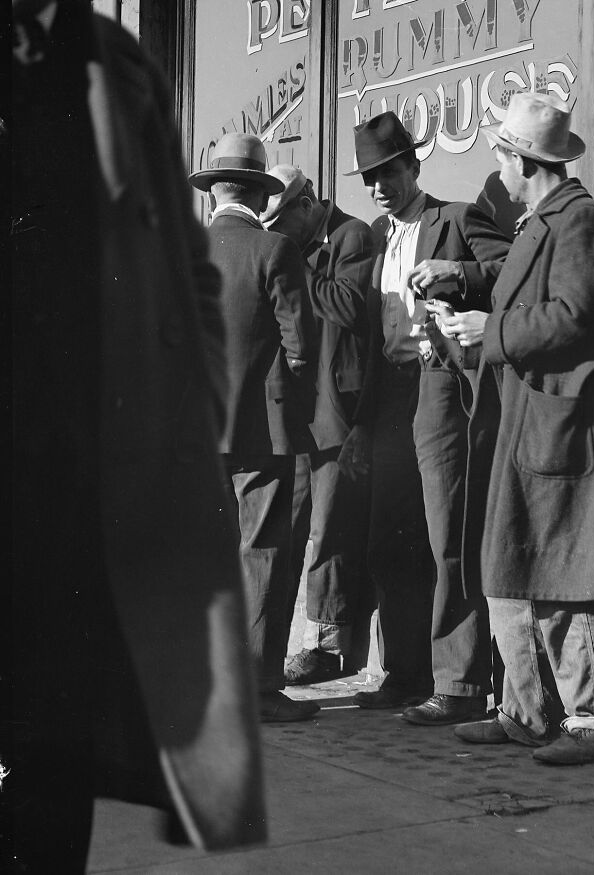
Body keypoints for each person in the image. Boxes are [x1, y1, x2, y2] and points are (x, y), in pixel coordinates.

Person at [10, 1, 264, 871]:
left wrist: (185, 416)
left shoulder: (116, 66)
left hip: (78, 471)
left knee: (54, 739)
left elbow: (180, 268)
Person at [450, 91, 594, 763]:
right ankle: (527, 709)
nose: (497, 170)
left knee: (565, 573)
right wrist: (467, 282)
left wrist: (487, 329)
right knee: (509, 567)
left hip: (563, 421)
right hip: (531, 419)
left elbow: (572, 313)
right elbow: (526, 285)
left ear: (520, 159)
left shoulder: (579, 219)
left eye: (501, 155)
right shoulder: (546, 219)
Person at [339, 111, 511, 724]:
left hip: (440, 389)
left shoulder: (458, 219)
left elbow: (516, 273)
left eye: (388, 172)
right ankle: (405, 673)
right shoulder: (374, 239)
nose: (380, 186)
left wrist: (457, 272)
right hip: (389, 398)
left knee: (447, 538)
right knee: (391, 540)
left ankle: (459, 685)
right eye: (370, 177)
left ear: (414, 166)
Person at [189, 134, 320, 723]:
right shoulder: (275, 250)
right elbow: (300, 344)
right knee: (261, 551)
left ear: (214, 191)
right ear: (259, 190)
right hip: (261, 429)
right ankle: (260, 691)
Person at [260, 166, 373, 685]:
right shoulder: (292, 246)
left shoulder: (352, 234)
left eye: (282, 225)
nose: (278, 238)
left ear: (307, 205)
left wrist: (292, 266)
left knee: (328, 531)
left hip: (337, 412)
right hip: (297, 415)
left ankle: (325, 648)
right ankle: (268, 650)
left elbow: (348, 305)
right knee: (288, 530)